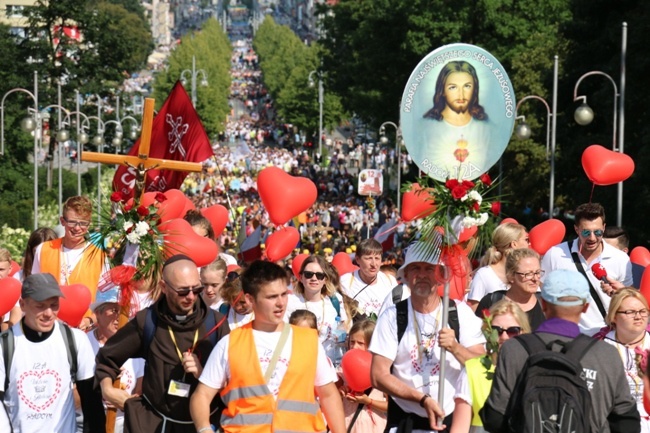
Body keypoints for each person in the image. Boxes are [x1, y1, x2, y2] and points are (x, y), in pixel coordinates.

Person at [190, 260, 346, 433]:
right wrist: (204, 429)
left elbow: (328, 395)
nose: (280, 303)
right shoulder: (230, 344)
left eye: (283, 294)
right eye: (271, 297)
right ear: (250, 299)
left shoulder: (309, 340)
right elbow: (202, 395)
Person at [481, 269, 641, 433]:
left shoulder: (514, 349)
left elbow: (494, 418)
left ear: (543, 303)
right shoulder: (605, 354)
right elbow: (627, 423)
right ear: (585, 307)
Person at [95, 254, 230, 433]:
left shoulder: (217, 323)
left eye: (196, 289)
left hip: (202, 426)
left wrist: (203, 374)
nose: (191, 297)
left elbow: (233, 383)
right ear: (164, 287)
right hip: (157, 423)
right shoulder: (148, 321)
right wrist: (107, 389)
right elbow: (107, 357)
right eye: (182, 291)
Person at [370, 242, 486, 432]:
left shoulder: (459, 313)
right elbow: (378, 375)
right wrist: (422, 399)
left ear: (441, 275)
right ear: (405, 276)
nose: (422, 274)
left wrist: (456, 348)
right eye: (415, 268)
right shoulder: (393, 316)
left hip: (452, 419)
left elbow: (482, 364)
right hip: (406, 419)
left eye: (429, 269)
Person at [0, 273, 105, 432]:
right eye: (40, 306)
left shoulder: (75, 340)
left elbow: (92, 403)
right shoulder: (5, 345)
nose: (49, 313)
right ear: (22, 305)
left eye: (54, 305)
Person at [541, 202, 633, 335]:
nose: (592, 238)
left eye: (598, 232)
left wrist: (618, 293)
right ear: (576, 229)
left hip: (607, 335)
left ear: (604, 227)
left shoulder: (621, 259)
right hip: (565, 335)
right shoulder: (555, 254)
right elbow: (542, 293)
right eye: (586, 232)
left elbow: (630, 301)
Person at [31, 196, 110, 331]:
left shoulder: (100, 255)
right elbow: (34, 290)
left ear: (89, 224)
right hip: (50, 328)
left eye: (83, 223)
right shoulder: (43, 249)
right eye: (72, 222)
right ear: (62, 221)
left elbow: (106, 298)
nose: (77, 228)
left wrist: (89, 320)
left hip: (85, 330)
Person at [453, 300, 531, 433]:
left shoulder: (532, 370)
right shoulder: (472, 370)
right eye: (497, 330)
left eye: (513, 331)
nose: (504, 337)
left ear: (523, 332)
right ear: (487, 332)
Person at [416, 61, 492, 179]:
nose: (461, 94)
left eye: (467, 86)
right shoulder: (425, 126)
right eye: (453, 87)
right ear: (442, 91)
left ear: (475, 89)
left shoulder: (486, 128)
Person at [87, 289, 144, 433]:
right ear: (98, 313)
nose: (119, 316)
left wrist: (125, 400)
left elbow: (140, 391)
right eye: (113, 310)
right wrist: (103, 385)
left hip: (123, 424)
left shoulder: (135, 345)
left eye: (123, 310)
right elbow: (70, 395)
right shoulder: (84, 343)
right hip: (88, 421)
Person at [601, 288, 650, 433]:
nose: (638, 316)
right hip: (615, 423)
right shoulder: (600, 347)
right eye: (630, 312)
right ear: (614, 316)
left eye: (643, 311)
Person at [286, 255, 349, 361]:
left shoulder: (335, 301)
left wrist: (344, 338)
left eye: (319, 275)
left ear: (325, 279)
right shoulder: (290, 302)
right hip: (301, 363)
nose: (314, 278)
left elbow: (346, 329)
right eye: (308, 274)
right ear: (300, 277)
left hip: (330, 365)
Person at [475, 248, 546, 330]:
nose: (535, 279)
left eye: (537, 272)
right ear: (511, 276)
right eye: (528, 274)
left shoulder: (546, 304)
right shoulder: (491, 301)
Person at [467, 223, 529, 311]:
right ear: (514, 244)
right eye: (526, 240)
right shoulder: (484, 275)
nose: (529, 244)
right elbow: (472, 311)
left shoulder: (527, 274)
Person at [341, 320, 387, 433]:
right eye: (352, 342)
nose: (354, 346)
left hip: (372, 426)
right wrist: (341, 391)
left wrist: (369, 401)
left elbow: (392, 406)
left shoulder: (382, 370)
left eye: (360, 343)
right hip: (347, 422)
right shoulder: (344, 366)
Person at [341, 239, 397, 320]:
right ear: (357, 259)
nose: (374, 264)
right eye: (368, 258)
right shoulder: (345, 282)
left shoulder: (390, 281)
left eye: (377, 258)